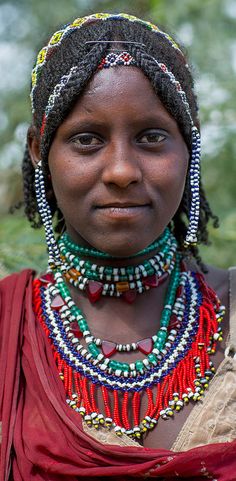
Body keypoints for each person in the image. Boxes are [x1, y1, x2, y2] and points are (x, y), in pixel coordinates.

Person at [0, 12, 235, 481]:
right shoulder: (8, 322)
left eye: (151, 137)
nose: (122, 171)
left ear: (189, 147)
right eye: (87, 140)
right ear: (38, 151)